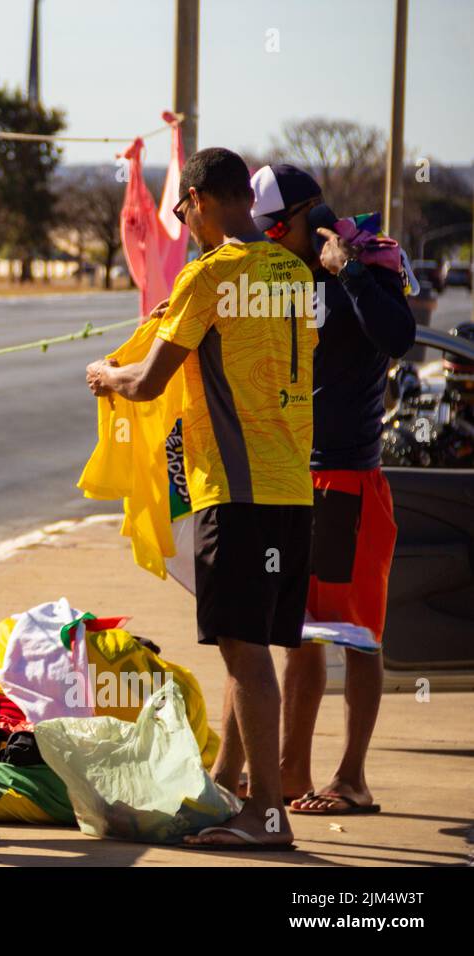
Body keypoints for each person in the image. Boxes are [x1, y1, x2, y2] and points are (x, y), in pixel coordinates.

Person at [85, 147, 316, 849]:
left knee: (245, 655)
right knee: (244, 647)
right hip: (290, 487)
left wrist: (106, 372)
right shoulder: (292, 269)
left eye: (184, 210)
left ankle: (267, 815)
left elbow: (149, 383)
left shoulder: (210, 274)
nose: (183, 222)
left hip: (235, 490)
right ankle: (227, 784)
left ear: (196, 201)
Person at [248, 163, 415, 815]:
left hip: (347, 475)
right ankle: (292, 771)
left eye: (269, 231)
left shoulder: (368, 261)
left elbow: (397, 337)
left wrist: (346, 269)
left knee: (357, 634)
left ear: (293, 221)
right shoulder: (281, 276)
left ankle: (352, 779)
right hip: (292, 471)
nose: (265, 243)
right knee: (300, 631)